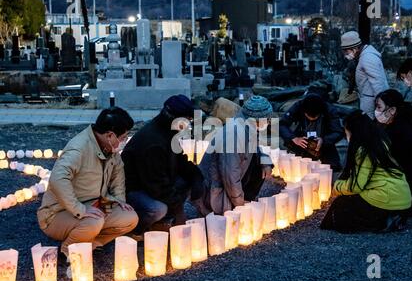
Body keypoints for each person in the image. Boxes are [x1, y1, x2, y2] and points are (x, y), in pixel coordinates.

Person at [37, 107, 138, 258]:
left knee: (130, 218)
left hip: (94, 204)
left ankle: (90, 244)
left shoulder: (108, 147)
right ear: (110, 135)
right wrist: (80, 209)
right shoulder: (79, 149)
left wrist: (118, 200)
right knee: (93, 223)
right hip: (57, 213)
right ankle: (67, 252)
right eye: (122, 137)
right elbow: (58, 178)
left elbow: (118, 174)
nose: (124, 141)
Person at [121, 95, 205, 237]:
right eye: (187, 120)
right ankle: (134, 230)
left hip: (155, 182)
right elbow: (157, 186)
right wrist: (179, 211)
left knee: (186, 182)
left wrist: (196, 176)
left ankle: (161, 222)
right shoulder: (153, 142)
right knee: (157, 209)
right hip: (134, 189)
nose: (188, 124)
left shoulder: (168, 131)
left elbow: (181, 160)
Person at [320, 110, 412, 233]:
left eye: (346, 130)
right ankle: (393, 217)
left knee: (341, 206)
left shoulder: (363, 151)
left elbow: (356, 186)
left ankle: (384, 222)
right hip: (403, 199)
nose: (346, 134)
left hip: (387, 199)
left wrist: (336, 187)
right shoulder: (380, 142)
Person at [198, 96, 274, 215]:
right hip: (214, 189)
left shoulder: (247, 125)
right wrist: (240, 204)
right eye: (268, 119)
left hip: (229, 178)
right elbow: (230, 175)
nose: (269, 122)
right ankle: (234, 205)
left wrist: (265, 161)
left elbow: (254, 148)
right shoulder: (234, 135)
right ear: (258, 119)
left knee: (261, 163)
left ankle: (246, 198)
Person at [375, 89, 412, 218]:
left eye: (378, 107)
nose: (376, 111)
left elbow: (393, 160)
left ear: (392, 110)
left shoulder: (402, 130)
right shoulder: (392, 122)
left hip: (404, 187)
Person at [280, 94, 344, 170]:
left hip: (324, 143)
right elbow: (282, 124)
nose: (311, 119)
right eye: (308, 116)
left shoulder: (329, 110)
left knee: (332, 168)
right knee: (298, 167)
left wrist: (323, 140)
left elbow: (338, 132)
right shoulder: (299, 106)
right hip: (302, 142)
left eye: (315, 117)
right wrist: (293, 138)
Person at [341, 31, 389, 119]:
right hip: (370, 100)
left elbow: (377, 82)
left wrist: (382, 104)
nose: (346, 55)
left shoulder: (367, 58)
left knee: (368, 128)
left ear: (354, 49)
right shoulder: (364, 56)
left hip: (371, 102)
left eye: (346, 52)